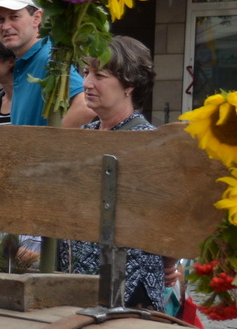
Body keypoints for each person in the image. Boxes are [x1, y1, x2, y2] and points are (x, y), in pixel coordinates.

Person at [56, 36, 177, 308]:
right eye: (86, 73)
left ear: (129, 84)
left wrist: (170, 261)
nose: (87, 83)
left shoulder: (149, 144)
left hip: (130, 291)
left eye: (99, 75)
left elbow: (170, 218)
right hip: (76, 285)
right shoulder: (82, 137)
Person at [0, 0, 91, 128]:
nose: (6, 26)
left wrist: (52, 144)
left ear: (37, 18)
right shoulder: (25, 60)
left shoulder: (48, 58)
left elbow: (86, 106)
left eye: (14, 17)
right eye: (0, 19)